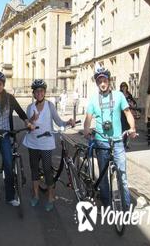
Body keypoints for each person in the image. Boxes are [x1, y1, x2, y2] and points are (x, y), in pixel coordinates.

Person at [83, 65, 136, 209]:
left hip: (118, 141)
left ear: (109, 81)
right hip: (101, 142)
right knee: (103, 175)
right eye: (99, 81)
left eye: (104, 80)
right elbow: (88, 119)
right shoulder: (94, 99)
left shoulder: (119, 96)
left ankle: (125, 205)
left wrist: (132, 128)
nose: (102, 83)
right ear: (97, 83)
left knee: (122, 175)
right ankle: (107, 203)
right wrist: (86, 129)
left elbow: (128, 113)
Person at [23, 79, 75, 212]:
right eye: (37, 91)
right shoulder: (30, 108)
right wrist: (31, 121)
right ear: (34, 93)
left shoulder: (50, 106)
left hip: (46, 143)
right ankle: (35, 195)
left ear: (44, 92)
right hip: (32, 142)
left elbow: (58, 121)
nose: (39, 93)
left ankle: (51, 197)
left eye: (41, 91)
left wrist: (68, 122)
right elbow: (28, 127)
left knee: (47, 170)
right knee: (34, 169)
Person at [0, 71, 34, 207]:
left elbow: (20, 111)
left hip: (5, 135)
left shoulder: (9, 98)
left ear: (3, 85)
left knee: (8, 164)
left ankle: (10, 196)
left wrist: (27, 122)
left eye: (0, 84)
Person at [120, 82, 137, 149]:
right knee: (122, 128)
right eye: (123, 87)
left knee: (127, 128)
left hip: (128, 112)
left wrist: (132, 104)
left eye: (125, 86)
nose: (124, 88)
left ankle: (125, 143)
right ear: (121, 88)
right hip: (121, 113)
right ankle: (121, 143)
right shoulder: (120, 94)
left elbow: (134, 102)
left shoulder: (129, 94)